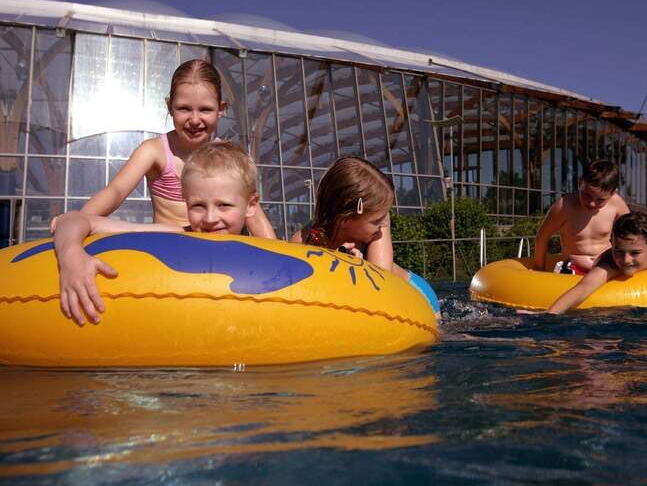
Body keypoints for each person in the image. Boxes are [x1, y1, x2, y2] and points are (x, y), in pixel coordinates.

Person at [55, 141, 272, 326]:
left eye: (224, 205)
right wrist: (71, 255)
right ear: (185, 201)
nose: (210, 218)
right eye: (197, 205)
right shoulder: (176, 235)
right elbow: (74, 220)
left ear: (251, 205)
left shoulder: (267, 255)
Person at [61, 58, 274, 239]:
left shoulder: (228, 157)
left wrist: (275, 253)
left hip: (218, 248)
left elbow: (253, 214)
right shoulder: (155, 151)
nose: (194, 119)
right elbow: (115, 191)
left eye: (205, 110)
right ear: (169, 107)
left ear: (221, 109)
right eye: (184, 109)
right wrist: (81, 220)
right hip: (169, 248)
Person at [526, 211, 647, 314]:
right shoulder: (609, 262)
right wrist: (549, 315)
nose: (626, 260)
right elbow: (583, 288)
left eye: (635, 253)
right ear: (611, 244)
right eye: (619, 251)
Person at [290, 156, 405, 277]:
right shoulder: (303, 242)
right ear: (344, 220)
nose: (383, 225)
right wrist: (335, 266)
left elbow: (381, 284)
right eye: (376, 221)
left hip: (414, 291)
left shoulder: (377, 230)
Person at [533, 159, 629, 274]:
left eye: (600, 200)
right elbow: (542, 236)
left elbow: (633, 234)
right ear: (580, 183)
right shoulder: (564, 207)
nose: (592, 203)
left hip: (605, 265)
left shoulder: (616, 204)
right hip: (572, 267)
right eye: (587, 195)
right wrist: (539, 268)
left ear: (613, 193)